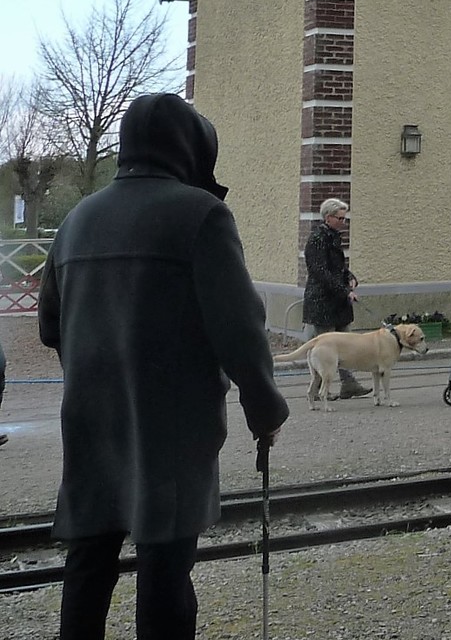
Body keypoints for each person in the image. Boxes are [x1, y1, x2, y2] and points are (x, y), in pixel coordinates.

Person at [39, 93, 289, 640]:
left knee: (87, 565)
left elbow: (50, 327)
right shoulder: (201, 214)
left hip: (91, 421)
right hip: (172, 428)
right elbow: (239, 328)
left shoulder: (78, 219)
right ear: (189, 147)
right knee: (165, 570)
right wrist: (265, 407)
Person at [301, 197, 370, 400]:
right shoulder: (317, 239)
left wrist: (350, 278)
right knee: (326, 348)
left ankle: (349, 384)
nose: (344, 222)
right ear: (329, 217)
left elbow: (338, 268)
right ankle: (318, 389)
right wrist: (344, 290)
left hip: (337, 302)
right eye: (341, 218)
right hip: (322, 301)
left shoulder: (333, 237)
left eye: (344, 218)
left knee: (346, 345)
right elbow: (320, 272)